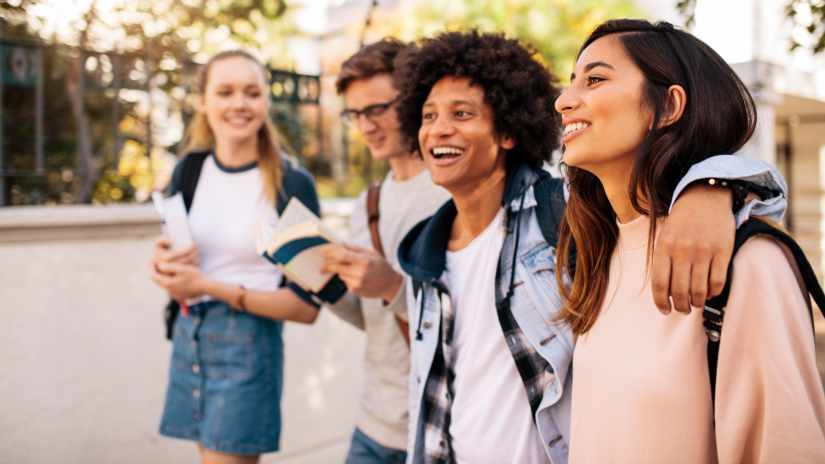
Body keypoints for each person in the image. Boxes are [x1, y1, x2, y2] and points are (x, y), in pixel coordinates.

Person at [392, 30, 787, 463]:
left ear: (508, 131)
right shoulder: (421, 256)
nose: (438, 129)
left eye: (461, 113)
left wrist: (713, 186)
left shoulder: (560, 217)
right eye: (427, 116)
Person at [554, 19, 825, 463]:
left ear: (668, 106)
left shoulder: (747, 260)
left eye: (595, 79)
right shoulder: (597, 252)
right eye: (570, 83)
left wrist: (721, 185)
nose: (564, 101)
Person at [148, 50, 329, 464]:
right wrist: (161, 264)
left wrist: (208, 286)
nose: (239, 104)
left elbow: (305, 306)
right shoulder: (188, 171)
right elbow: (177, 260)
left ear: (265, 100)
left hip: (248, 344)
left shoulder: (292, 184)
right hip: (189, 335)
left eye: (251, 92)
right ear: (203, 101)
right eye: (225, 92)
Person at [318, 38, 452, 464]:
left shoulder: (454, 192)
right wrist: (322, 285)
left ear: (413, 99)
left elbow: (476, 323)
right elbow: (374, 321)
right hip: (372, 424)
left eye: (378, 109)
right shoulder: (367, 203)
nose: (366, 126)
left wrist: (392, 285)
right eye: (356, 114)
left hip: (438, 426)